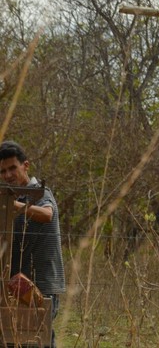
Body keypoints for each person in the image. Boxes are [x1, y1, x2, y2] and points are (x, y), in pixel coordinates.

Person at [0, 140, 66, 348]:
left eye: (13, 168)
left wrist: (14, 204)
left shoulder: (39, 193)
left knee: (34, 340)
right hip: (14, 287)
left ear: (25, 166)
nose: (8, 175)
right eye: (2, 171)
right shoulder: (8, 197)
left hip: (41, 287)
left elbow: (47, 214)